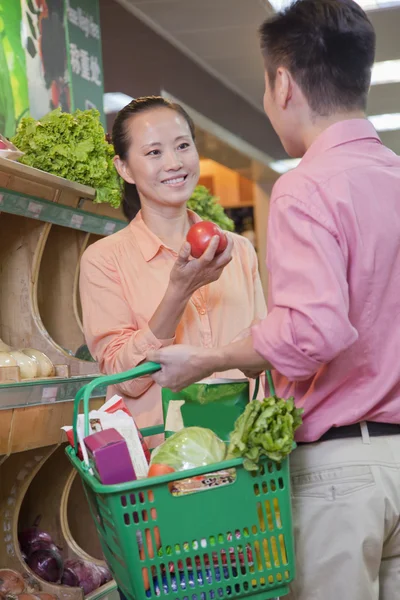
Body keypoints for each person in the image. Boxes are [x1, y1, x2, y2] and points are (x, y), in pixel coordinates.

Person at [147, 2, 400, 599]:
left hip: (343, 476)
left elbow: (314, 332)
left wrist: (208, 359)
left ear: (282, 82)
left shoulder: (306, 188)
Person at [79, 96, 266, 447]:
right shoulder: (104, 260)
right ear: (124, 168)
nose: (174, 163)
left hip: (244, 456)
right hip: (160, 467)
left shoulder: (237, 250)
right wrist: (179, 291)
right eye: (153, 153)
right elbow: (127, 379)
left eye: (183, 146)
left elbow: (264, 352)